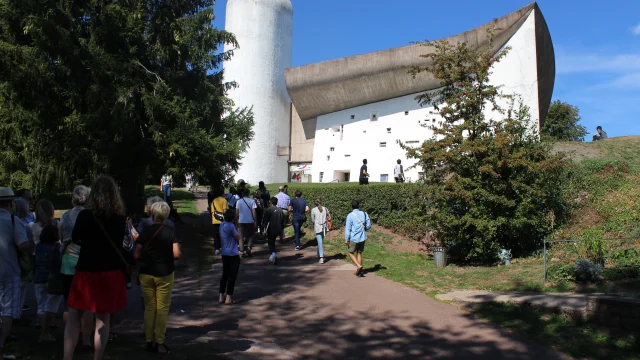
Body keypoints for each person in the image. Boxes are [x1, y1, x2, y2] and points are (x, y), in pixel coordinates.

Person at [63, 176, 128, 360]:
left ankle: (67, 357)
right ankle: (97, 358)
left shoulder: (85, 215)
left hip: (86, 269)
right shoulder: (119, 218)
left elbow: (75, 238)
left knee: (74, 315)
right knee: (103, 318)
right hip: (110, 270)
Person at [134, 201, 181, 354]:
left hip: (146, 273)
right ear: (166, 215)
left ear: (152, 214)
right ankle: (160, 341)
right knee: (162, 308)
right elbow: (177, 254)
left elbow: (136, 254)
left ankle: (148, 340)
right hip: (165, 273)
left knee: (149, 307)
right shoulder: (170, 231)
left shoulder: (146, 231)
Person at [58, 185, 94, 350]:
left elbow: (61, 238)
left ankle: (70, 337)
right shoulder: (92, 217)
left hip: (68, 261)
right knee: (87, 304)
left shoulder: (65, 216)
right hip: (86, 261)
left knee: (70, 303)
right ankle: (86, 340)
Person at [0, 187, 30, 360]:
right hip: (9, 269)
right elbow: (23, 244)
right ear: (11, 203)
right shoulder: (13, 220)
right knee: (8, 310)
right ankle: (1, 345)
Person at [34, 224, 63, 342]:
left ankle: (43, 331)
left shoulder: (38, 246)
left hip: (39, 278)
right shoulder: (56, 247)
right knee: (50, 306)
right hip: (52, 279)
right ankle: (44, 332)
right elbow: (57, 263)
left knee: (41, 306)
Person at [13, 198, 35, 325]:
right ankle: (16, 316)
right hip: (23, 262)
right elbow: (30, 246)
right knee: (21, 291)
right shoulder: (25, 227)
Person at [219, 209, 241, 304]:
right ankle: (229, 297)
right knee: (232, 276)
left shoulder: (221, 225)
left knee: (225, 275)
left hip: (224, 253)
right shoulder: (231, 226)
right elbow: (237, 237)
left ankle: (221, 295)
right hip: (233, 253)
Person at [344, 200, 371, 277]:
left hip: (354, 238)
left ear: (351, 206)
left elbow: (348, 229)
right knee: (359, 253)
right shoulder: (364, 214)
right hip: (362, 237)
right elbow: (368, 225)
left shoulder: (350, 216)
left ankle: (358, 266)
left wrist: (346, 239)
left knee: (350, 253)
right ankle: (359, 271)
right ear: (358, 206)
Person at [262, 198, 285, 265]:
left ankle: (273, 254)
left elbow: (265, 222)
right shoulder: (280, 210)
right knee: (273, 241)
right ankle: (273, 254)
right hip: (278, 228)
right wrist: (282, 231)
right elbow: (282, 221)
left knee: (270, 242)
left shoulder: (268, 210)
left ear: (270, 202)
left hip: (270, 228)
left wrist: (264, 230)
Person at [235, 188, 257, 257]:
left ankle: (241, 251)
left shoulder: (238, 201)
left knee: (241, 237)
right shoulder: (252, 201)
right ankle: (248, 248)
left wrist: (236, 221)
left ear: (242, 194)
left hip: (241, 221)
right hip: (250, 221)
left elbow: (237, 213)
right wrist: (255, 220)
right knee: (251, 235)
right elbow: (254, 212)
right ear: (248, 193)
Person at [311, 199, 330, 264]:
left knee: (320, 242)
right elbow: (329, 216)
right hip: (325, 227)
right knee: (320, 241)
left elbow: (313, 220)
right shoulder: (325, 208)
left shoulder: (313, 210)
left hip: (318, 227)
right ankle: (318, 253)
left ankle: (321, 257)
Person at [210, 187, 228, 255]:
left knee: (216, 235)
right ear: (222, 193)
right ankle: (223, 248)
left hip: (215, 220)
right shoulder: (224, 200)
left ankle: (217, 248)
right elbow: (225, 211)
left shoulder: (214, 201)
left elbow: (212, 212)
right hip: (222, 221)